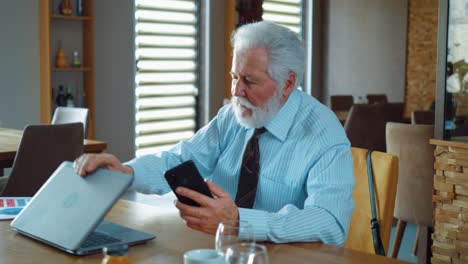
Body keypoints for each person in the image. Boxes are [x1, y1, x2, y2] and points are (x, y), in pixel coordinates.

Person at [74, 21, 354, 246]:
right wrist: (127, 172)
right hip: (220, 251)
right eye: (234, 77)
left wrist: (240, 222)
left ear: (288, 83)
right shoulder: (233, 116)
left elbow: (329, 222)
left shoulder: (324, 135)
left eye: (249, 81)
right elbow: (181, 159)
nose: (235, 92)